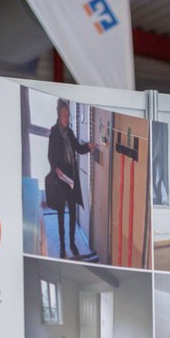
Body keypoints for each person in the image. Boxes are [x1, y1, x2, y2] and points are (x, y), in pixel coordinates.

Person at [46, 98, 100, 259]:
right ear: (59, 115)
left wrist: (88, 146)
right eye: (64, 115)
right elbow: (50, 155)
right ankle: (63, 245)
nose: (66, 118)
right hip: (60, 179)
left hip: (71, 178)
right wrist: (55, 168)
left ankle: (72, 242)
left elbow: (78, 148)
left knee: (73, 211)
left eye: (68, 115)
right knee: (61, 213)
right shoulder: (54, 132)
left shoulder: (69, 132)